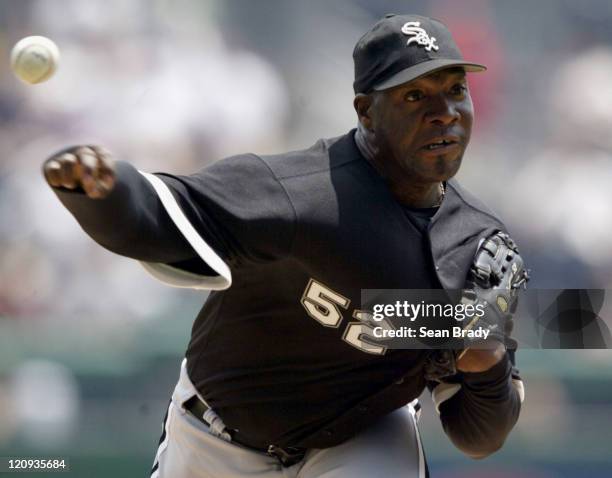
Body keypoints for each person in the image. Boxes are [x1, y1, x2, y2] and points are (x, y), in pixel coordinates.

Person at [43, 14, 525, 478]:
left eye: (455, 90)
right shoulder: (300, 193)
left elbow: (477, 436)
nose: (444, 113)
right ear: (366, 112)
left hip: (361, 438)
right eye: (416, 95)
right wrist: (104, 191)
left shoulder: (475, 246)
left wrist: (488, 365)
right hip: (218, 436)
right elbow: (160, 214)